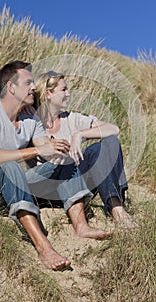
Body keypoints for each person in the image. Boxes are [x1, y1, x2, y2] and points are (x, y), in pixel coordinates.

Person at [0, 61, 113, 271]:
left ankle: (81, 226)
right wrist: (35, 151)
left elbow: (43, 146)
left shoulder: (31, 119)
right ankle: (43, 247)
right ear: (11, 88)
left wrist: (57, 148)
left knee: (64, 159)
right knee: (11, 167)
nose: (34, 87)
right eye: (28, 82)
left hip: (12, 183)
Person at [34, 71, 138, 228]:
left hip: (77, 178)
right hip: (50, 187)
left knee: (109, 142)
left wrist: (80, 134)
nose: (68, 94)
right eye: (63, 90)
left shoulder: (71, 118)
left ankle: (116, 209)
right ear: (48, 93)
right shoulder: (32, 123)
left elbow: (113, 129)